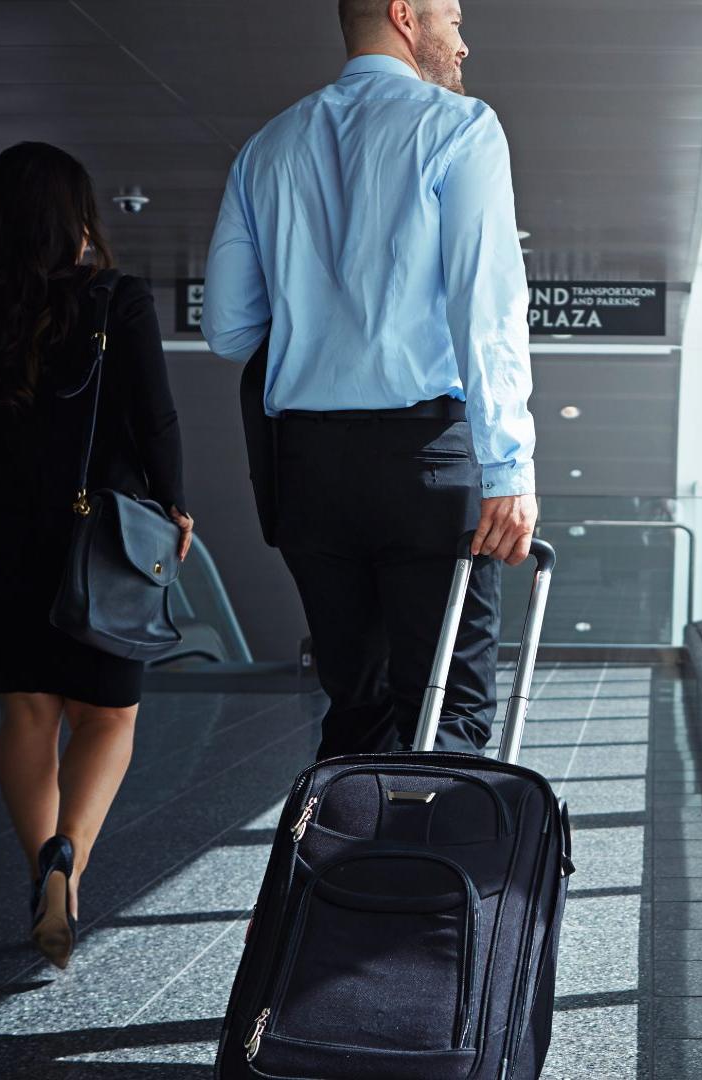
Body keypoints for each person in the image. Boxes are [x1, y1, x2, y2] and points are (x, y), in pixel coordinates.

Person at [200, 0, 538, 759]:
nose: (463, 39)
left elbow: (228, 327)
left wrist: (316, 314)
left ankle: (349, 873)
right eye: (451, 17)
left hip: (310, 474)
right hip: (427, 462)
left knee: (356, 708)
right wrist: (509, 465)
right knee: (446, 712)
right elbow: (485, 305)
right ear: (404, 17)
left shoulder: (266, 147)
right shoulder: (460, 128)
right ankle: (436, 876)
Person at [0, 142, 193, 969]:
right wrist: (175, 501)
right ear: (77, 217)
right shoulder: (116, 300)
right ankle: (70, 860)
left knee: (26, 712)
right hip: (100, 538)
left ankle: (47, 870)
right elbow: (154, 417)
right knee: (109, 715)